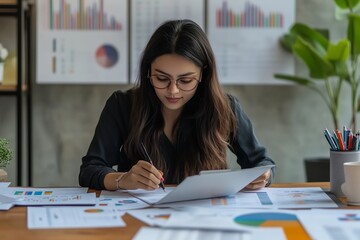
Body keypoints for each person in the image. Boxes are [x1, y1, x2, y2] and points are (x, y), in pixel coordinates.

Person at [79, 19, 275, 191]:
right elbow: (90, 169)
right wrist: (122, 179)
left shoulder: (225, 108)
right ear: (148, 72)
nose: (173, 91)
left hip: (206, 219)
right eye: (162, 78)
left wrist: (263, 176)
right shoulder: (122, 105)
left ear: (203, 75)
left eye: (185, 81)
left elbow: (262, 163)